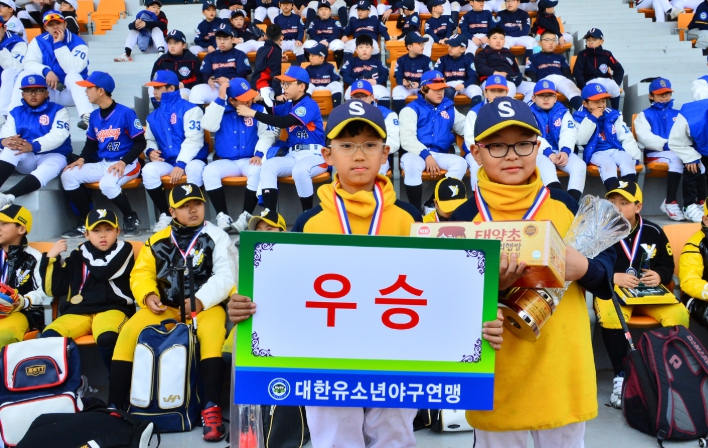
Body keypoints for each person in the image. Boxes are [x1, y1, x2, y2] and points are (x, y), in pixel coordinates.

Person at [227, 99, 504, 448]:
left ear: (385, 152)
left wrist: (476, 318)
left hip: (398, 357)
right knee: (334, 437)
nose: (359, 155)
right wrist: (245, 305)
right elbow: (288, 291)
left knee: (394, 435)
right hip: (326, 361)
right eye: (346, 146)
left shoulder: (408, 218)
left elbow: (435, 287)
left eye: (370, 145)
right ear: (327, 156)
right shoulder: (308, 223)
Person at [449, 96, 616, 448]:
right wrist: (491, 289)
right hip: (497, 373)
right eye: (497, 146)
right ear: (476, 152)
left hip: (561, 367)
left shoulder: (565, 205)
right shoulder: (462, 219)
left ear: (537, 147)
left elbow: (606, 277)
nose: (512, 155)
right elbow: (446, 300)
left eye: (523, 144)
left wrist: (582, 267)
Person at [108, 184, 233, 442]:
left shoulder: (217, 235)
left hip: (204, 306)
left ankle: (210, 408)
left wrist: (200, 300)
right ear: (172, 211)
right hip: (165, 306)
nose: (193, 209)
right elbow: (141, 274)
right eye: (185, 206)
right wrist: (148, 296)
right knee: (128, 333)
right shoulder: (156, 239)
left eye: (197, 204)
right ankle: (115, 408)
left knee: (211, 336)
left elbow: (226, 275)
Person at [596, 182, 688, 409]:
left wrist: (659, 275)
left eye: (623, 203)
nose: (616, 207)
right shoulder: (599, 231)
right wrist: (613, 277)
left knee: (679, 313)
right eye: (612, 202)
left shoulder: (654, 231)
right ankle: (620, 375)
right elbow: (588, 265)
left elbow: (667, 264)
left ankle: (669, 371)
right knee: (611, 315)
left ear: (638, 207)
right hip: (615, 292)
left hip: (649, 296)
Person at [40, 208, 135, 369]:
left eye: (108, 229)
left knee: (107, 337)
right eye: (96, 230)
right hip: (78, 311)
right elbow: (54, 289)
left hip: (112, 308)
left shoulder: (124, 249)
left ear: (118, 231)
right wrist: (51, 260)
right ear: (86, 234)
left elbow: (103, 271)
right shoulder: (78, 255)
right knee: (49, 337)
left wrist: (84, 248)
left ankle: (120, 387)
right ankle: (69, 386)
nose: (102, 235)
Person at [60, 72, 145, 238]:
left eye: (89, 88)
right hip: (105, 163)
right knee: (68, 175)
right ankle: (86, 221)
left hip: (128, 163)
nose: (86, 92)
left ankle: (130, 217)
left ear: (101, 91)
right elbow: (91, 143)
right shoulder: (94, 116)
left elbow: (141, 142)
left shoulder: (125, 113)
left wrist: (123, 162)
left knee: (107, 184)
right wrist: (81, 159)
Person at [238, 65, 326, 212]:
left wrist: (253, 113)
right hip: (293, 155)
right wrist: (258, 100)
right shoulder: (289, 105)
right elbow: (270, 111)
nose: (283, 87)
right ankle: (271, 215)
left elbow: (284, 122)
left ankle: (307, 215)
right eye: (283, 83)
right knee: (268, 166)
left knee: (300, 170)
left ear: (301, 86)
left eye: (288, 83)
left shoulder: (309, 104)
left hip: (315, 155)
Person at [202, 78, 279, 232]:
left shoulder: (257, 108)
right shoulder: (219, 108)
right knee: (208, 171)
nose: (249, 101)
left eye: (249, 96)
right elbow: (208, 125)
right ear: (231, 99)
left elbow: (267, 135)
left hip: (250, 159)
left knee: (258, 170)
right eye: (244, 99)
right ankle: (222, 216)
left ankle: (246, 216)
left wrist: (259, 154)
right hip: (226, 161)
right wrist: (220, 98)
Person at [143, 70, 208, 233]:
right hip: (169, 161)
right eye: (153, 88)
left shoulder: (191, 109)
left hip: (192, 159)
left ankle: (196, 219)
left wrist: (181, 163)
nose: (154, 91)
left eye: (158, 88)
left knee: (193, 169)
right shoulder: (152, 116)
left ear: (171, 89)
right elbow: (149, 139)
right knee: (148, 170)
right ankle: (166, 215)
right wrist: (150, 151)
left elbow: (194, 140)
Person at [9, 10, 91, 130]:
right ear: (45, 27)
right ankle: (13, 114)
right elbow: (28, 63)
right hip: (48, 92)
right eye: (51, 25)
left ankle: (87, 115)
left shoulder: (78, 43)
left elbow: (72, 68)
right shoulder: (38, 41)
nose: (55, 27)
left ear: (65, 24)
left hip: (71, 94)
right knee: (25, 74)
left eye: (58, 23)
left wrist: (58, 45)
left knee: (72, 75)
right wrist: (46, 71)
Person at [637, 77, 704, 222]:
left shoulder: (678, 113)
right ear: (651, 95)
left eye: (667, 93)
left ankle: (700, 202)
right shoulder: (644, 114)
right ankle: (670, 201)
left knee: (698, 159)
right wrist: (670, 144)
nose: (664, 96)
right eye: (660, 94)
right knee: (676, 158)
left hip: (675, 151)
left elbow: (687, 134)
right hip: (655, 153)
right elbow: (644, 138)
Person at [0, 75, 71, 209]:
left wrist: (32, 145)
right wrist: (6, 141)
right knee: (10, 148)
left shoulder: (59, 110)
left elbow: (59, 136)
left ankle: (8, 196)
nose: (32, 94)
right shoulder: (15, 112)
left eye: (37, 90)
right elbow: (6, 134)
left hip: (53, 154)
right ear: (22, 94)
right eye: (28, 91)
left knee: (51, 166)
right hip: (25, 158)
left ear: (46, 93)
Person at [399, 70, 467, 212]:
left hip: (439, 154)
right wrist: (426, 155)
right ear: (424, 89)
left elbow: (467, 128)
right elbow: (407, 139)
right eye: (435, 89)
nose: (440, 93)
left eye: (442, 88)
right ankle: (415, 210)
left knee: (460, 163)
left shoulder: (449, 108)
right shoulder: (411, 109)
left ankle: (431, 203)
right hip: (415, 153)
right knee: (412, 165)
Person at [573, 83, 641, 192]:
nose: (601, 105)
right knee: (608, 164)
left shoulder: (613, 115)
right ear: (585, 103)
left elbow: (626, 136)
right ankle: (614, 196)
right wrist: (592, 118)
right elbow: (580, 139)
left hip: (614, 149)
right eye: (596, 102)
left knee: (627, 160)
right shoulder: (578, 117)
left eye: (603, 101)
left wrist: (635, 157)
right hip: (595, 152)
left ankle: (629, 196)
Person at [0, 205, 51, 349]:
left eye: (4, 224)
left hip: (23, 312)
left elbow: (44, 292)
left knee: (3, 335)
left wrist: (24, 301)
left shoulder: (35, 258)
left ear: (21, 229)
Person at [529, 80, 586, 201]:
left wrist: (565, 151)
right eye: (541, 95)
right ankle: (558, 201)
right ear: (533, 98)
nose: (546, 99)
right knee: (546, 166)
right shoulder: (528, 112)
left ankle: (572, 203)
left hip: (560, 151)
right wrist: (549, 153)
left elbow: (568, 133)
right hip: (538, 152)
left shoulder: (563, 112)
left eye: (549, 95)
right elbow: (532, 136)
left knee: (579, 165)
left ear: (555, 98)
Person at [462, 75, 511, 187]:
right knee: (477, 166)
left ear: (507, 93)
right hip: (477, 151)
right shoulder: (474, 112)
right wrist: (485, 154)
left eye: (501, 91)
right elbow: (470, 141)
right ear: (485, 93)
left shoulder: (512, 111)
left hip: (504, 150)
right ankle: (477, 199)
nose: (497, 94)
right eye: (493, 91)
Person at [667, 92, 708, 223]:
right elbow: (675, 142)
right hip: (690, 143)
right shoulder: (690, 118)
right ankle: (689, 206)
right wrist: (691, 157)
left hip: (704, 141)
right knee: (693, 166)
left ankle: (705, 203)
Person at [189, 22, 251, 105]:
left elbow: (242, 75)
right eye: (219, 38)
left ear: (232, 39)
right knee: (196, 90)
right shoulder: (210, 56)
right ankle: (198, 117)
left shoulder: (240, 54)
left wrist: (229, 81)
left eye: (225, 39)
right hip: (215, 87)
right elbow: (205, 74)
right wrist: (208, 80)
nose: (222, 42)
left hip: (233, 87)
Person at [349, 79, 400, 175]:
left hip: (378, 156)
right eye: (356, 97)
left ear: (372, 97)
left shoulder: (387, 114)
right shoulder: (345, 114)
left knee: (375, 172)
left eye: (363, 96)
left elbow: (393, 142)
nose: (359, 100)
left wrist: (371, 151)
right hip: (352, 155)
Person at [524, 29, 582, 110]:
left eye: (553, 40)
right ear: (540, 43)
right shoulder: (534, 57)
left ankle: (584, 116)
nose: (551, 43)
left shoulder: (560, 57)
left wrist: (574, 85)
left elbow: (567, 73)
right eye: (547, 40)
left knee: (573, 90)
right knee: (537, 95)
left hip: (560, 79)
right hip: (544, 80)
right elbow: (531, 74)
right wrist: (536, 86)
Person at [573, 28, 624, 111]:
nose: (590, 42)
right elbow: (577, 72)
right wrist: (583, 87)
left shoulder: (607, 54)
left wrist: (616, 83)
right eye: (588, 40)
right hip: (589, 82)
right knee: (591, 94)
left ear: (601, 41)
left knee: (614, 87)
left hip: (605, 80)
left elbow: (619, 69)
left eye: (594, 39)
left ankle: (615, 113)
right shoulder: (582, 54)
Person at [474, 27, 532, 99]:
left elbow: (516, 70)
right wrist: (497, 73)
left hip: (510, 79)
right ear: (488, 40)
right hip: (491, 80)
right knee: (510, 86)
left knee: (535, 88)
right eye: (495, 38)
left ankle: (525, 109)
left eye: (501, 39)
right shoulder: (483, 53)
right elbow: (480, 68)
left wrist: (516, 78)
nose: (498, 41)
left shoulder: (509, 53)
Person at [149, 30, 201, 104]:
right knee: (151, 89)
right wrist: (165, 86)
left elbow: (199, 79)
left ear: (184, 45)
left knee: (182, 94)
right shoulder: (162, 59)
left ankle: (178, 115)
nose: (172, 46)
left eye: (175, 43)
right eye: (170, 43)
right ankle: (161, 113)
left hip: (184, 88)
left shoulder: (192, 59)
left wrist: (184, 84)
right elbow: (154, 78)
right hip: (166, 88)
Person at [433, 33, 482, 103]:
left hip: (464, 84)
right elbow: (436, 73)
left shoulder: (468, 60)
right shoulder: (442, 59)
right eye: (449, 45)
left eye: (453, 46)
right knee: (448, 91)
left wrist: (464, 85)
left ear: (463, 49)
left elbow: (473, 77)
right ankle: (448, 113)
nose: (450, 48)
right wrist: (441, 81)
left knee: (477, 89)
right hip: (448, 84)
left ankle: (474, 113)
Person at [392, 31, 433, 113]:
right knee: (397, 90)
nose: (422, 46)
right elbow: (398, 76)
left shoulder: (426, 60)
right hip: (407, 87)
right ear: (410, 47)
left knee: (430, 90)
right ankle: (401, 115)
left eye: (423, 44)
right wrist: (403, 82)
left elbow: (429, 77)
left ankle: (427, 116)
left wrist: (419, 84)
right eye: (419, 44)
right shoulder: (401, 60)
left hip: (421, 87)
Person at [340, 34, 390, 101]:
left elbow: (385, 74)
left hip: (373, 86)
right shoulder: (351, 62)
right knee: (348, 95)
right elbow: (345, 76)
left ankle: (383, 112)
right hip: (356, 85)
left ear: (372, 49)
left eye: (367, 47)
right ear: (356, 50)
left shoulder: (377, 62)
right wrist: (356, 82)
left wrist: (376, 81)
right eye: (361, 47)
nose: (364, 50)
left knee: (384, 93)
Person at [0, 18, 27, 123]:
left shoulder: (17, 42)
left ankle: (5, 115)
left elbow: (17, 69)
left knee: (9, 72)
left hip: (12, 90)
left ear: (4, 27)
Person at [250, 24, 283, 105]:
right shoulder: (275, 51)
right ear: (281, 37)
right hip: (263, 86)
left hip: (256, 85)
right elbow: (275, 74)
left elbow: (265, 65)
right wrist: (278, 94)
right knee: (270, 111)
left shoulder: (261, 49)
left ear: (266, 36)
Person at [304, 0, 345, 66]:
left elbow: (336, 34)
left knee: (339, 43)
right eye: (321, 9)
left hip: (330, 42)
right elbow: (312, 34)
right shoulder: (314, 22)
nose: (323, 11)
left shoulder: (335, 22)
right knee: (307, 44)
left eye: (326, 9)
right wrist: (319, 42)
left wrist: (328, 41)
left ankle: (336, 67)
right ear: (318, 12)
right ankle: (311, 66)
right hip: (317, 42)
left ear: (330, 11)